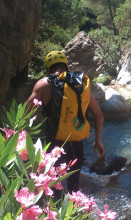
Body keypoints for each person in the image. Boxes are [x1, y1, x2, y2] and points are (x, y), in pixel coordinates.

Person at [26, 51, 104, 193]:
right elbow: (98, 115)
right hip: (76, 142)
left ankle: (51, 211)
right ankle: (73, 211)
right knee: (73, 184)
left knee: (51, 182)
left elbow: (25, 113)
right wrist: (97, 141)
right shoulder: (78, 84)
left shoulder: (43, 84)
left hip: (53, 143)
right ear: (66, 66)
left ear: (49, 68)